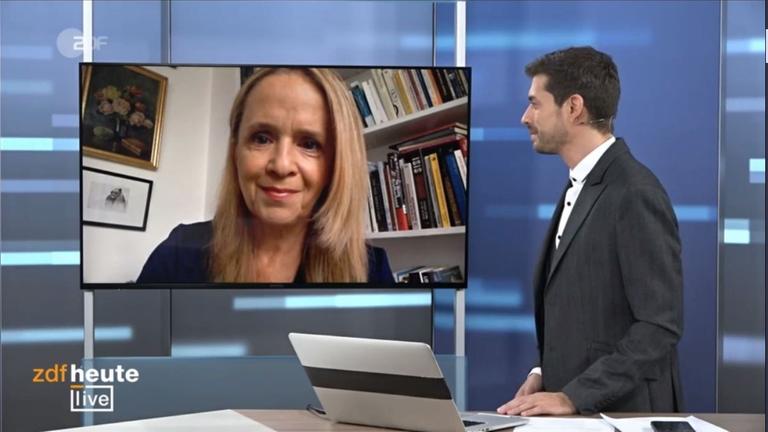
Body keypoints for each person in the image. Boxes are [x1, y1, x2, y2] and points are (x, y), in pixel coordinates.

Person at [497, 47, 683, 416]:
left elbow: (659, 326)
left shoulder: (635, 192)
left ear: (573, 107)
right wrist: (543, 372)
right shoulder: (583, 184)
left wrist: (573, 397)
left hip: (623, 415)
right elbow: (581, 311)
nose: (525, 117)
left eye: (535, 104)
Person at [137, 68, 394, 283]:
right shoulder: (179, 253)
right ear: (235, 152)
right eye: (261, 138)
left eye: (309, 144)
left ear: (337, 164)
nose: (281, 166)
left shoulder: (371, 271)